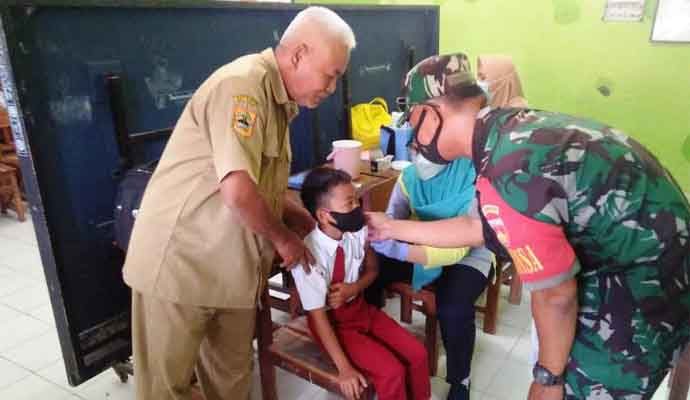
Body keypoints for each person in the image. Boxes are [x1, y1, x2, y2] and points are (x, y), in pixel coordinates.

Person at [367, 53, 690, 400]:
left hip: (644, 286)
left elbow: (556, 296)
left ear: (432, 113)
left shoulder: (507, 168)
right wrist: (391, 228)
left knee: (573, 386)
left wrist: (547, 379)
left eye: (413, 123)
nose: (413, 141)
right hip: (648, 255)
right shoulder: (509, 132)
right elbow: (476, 226)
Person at [122, 7, 355, 400]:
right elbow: (238, 190)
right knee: (164, 389)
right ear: (299, 55)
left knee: (231, 383)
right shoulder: (243, 88)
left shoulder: (280, 104)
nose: (332, 88)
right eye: (330, 75)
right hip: (180, 263)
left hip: (231, 272)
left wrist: (304, 220)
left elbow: (263, 188)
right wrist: (286, 241)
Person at [365, 53, 494, 400]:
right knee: (369, 271)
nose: (416, 148)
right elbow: (392, 219)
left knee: (453, 307)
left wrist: (396, 242)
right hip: (420, 247)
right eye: (412, 143)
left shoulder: (476, 172)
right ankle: (368, 341)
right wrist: (377, 239)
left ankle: (460, 380)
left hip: (470, 255)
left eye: (418, 133)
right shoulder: (409, 178)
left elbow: (461, 245)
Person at [292, 167, 431, 400]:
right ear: (324, 215)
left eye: (356, 200)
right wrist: (344, 369)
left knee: (417, 354)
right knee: (391, 372)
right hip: (332, 324)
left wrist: (354, 288)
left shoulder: (357, 232)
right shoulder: (308, 255)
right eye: (349, 203)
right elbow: (318, 317)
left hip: (361, 309)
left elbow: (373, 270)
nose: (357, 208)